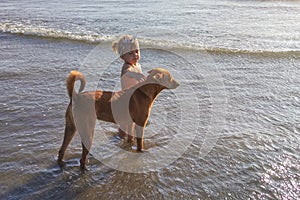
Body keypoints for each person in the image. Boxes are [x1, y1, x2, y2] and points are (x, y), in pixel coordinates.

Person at [112, 35, 145, 143]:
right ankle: (120, 137)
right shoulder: (127, 67)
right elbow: (127, 73)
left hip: (134, 100)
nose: (135, 55)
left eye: (137, 51)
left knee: (132, 121)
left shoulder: (137, 65)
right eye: (130, 53)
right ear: (122, 57)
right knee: (124, 122)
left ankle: (130, 138)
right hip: (125, 100)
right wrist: (135, 76)